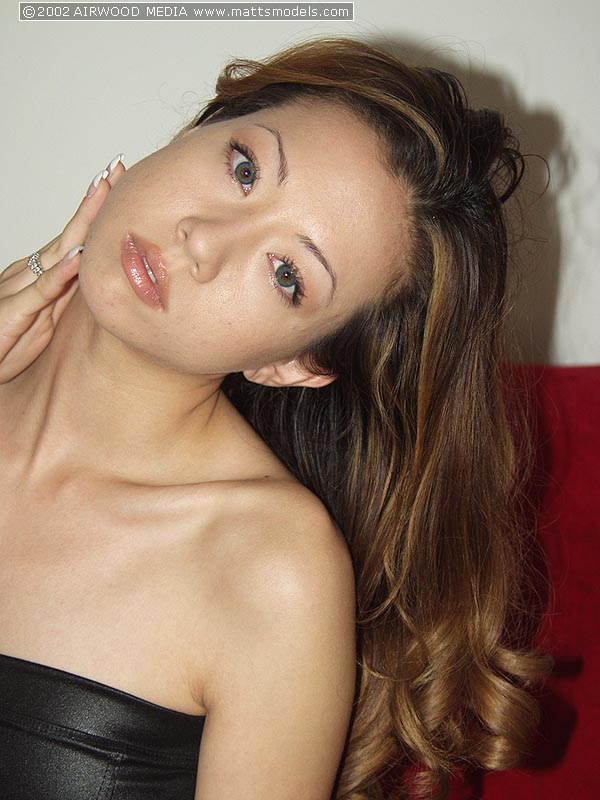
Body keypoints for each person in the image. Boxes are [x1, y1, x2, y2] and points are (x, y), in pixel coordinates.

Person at [0, 35, 552, 800]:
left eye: (288, 274)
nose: (203, 240)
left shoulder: (272, 572)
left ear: (295, 363)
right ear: (203, 126)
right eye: (244, 169)